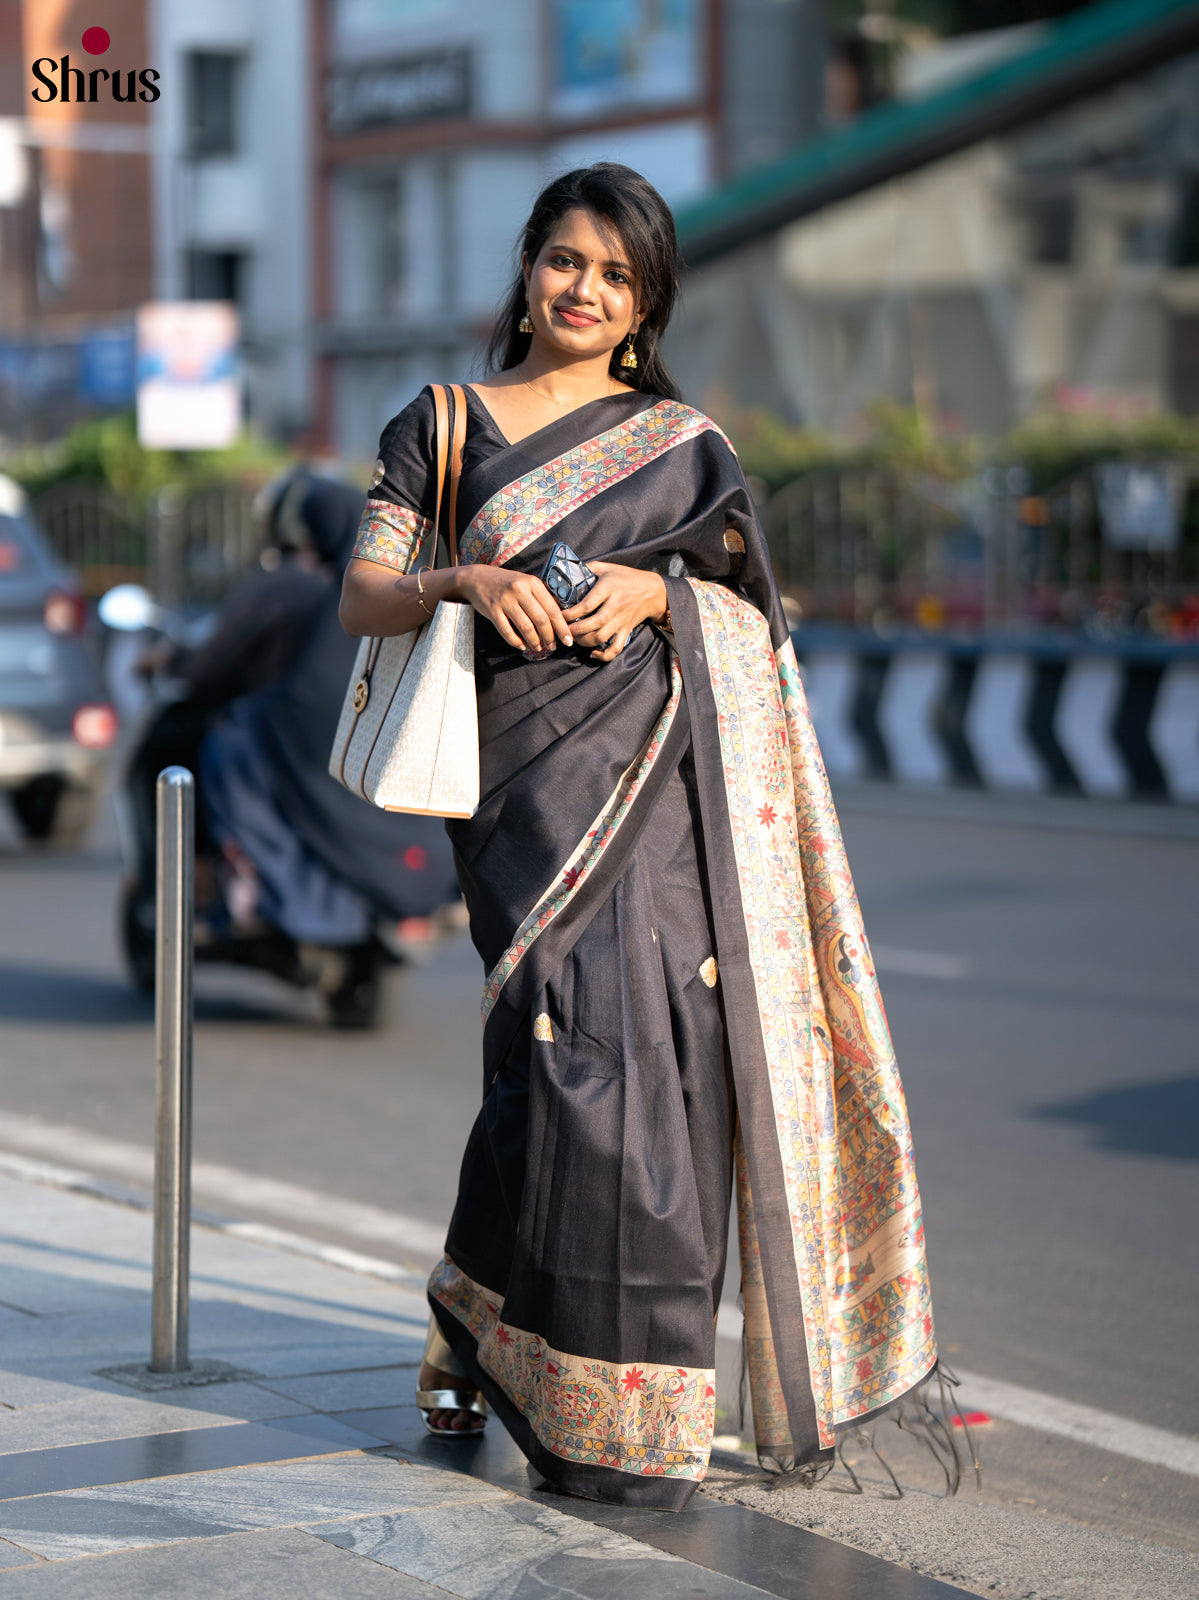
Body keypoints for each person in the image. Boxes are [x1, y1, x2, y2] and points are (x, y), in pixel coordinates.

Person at [339, 164, 940, 1511]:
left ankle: (559, 1360)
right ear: (529, 266)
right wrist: (466, 577)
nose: (584, 290)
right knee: (562, 1057)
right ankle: (522, 1343)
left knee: (660, 1071)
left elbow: (755, 622)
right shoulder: (442, 424)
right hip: (523, 796)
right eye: (564, 260)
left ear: (646, 301)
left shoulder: (685, 447)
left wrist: (650, 592)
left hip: (664, 794)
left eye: (616, 275)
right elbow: (364, 597)